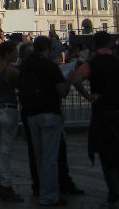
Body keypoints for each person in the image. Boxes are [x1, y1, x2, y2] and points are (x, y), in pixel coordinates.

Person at [71, 31, 119, 207]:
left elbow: (76, 79)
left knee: (107, 154)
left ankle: (114, 192)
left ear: (94, 45)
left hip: (103, 114)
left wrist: (88, 96)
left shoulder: (91, 63)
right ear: (110, 44)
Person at [18, 35, 71, 206]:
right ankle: (49, 195)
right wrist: (70, 78)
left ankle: (41, 189)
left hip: (31, 114)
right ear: (47, 49)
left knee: (39, 156)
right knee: (50, 158)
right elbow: (62, 90)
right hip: (49, 113)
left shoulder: (25, 66)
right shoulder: (49, 66)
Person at [0, 41, 24, 202]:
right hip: (8, 111)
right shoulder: (11, 70)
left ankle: (1, 183)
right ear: (7, 54)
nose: (16, 55)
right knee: (6, 151)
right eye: (14, 52)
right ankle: (6, 186)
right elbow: (23, 86)